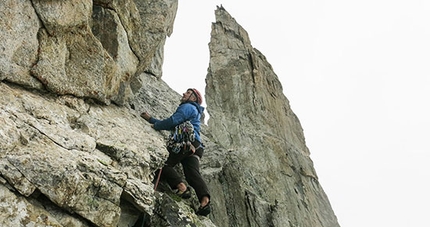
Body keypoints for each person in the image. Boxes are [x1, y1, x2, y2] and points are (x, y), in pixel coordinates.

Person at [141, 88, 211, 216]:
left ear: (194, 98)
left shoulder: (188, 107)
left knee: (163, 163)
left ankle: (180, 187)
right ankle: (204, 200)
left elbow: (173, 121)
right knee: (192, 173)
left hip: (186, 141)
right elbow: (172, 124)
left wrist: (155, 125)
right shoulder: (194, 111)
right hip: (196, 145)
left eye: (188, 93)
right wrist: (151, 119)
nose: (184, 94)